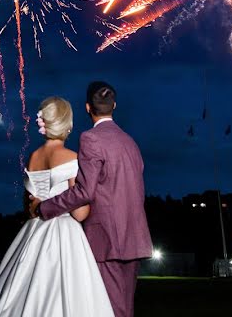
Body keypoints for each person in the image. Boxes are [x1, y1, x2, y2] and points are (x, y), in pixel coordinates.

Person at [0, 96, 114, 317]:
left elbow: (29, 206)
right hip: (65, 234)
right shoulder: (72, 158)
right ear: (66, 124)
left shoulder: (33, 157)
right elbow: (79, 213)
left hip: (34, 230)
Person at [30, 82, 152, 317]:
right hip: (134, 237)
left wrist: (45, 207)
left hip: (107, 239)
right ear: (114, 105)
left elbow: (84, 192)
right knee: (124, 309)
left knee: (110, 310)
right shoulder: (130, 143)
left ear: (87, 108)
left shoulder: (91, 139)